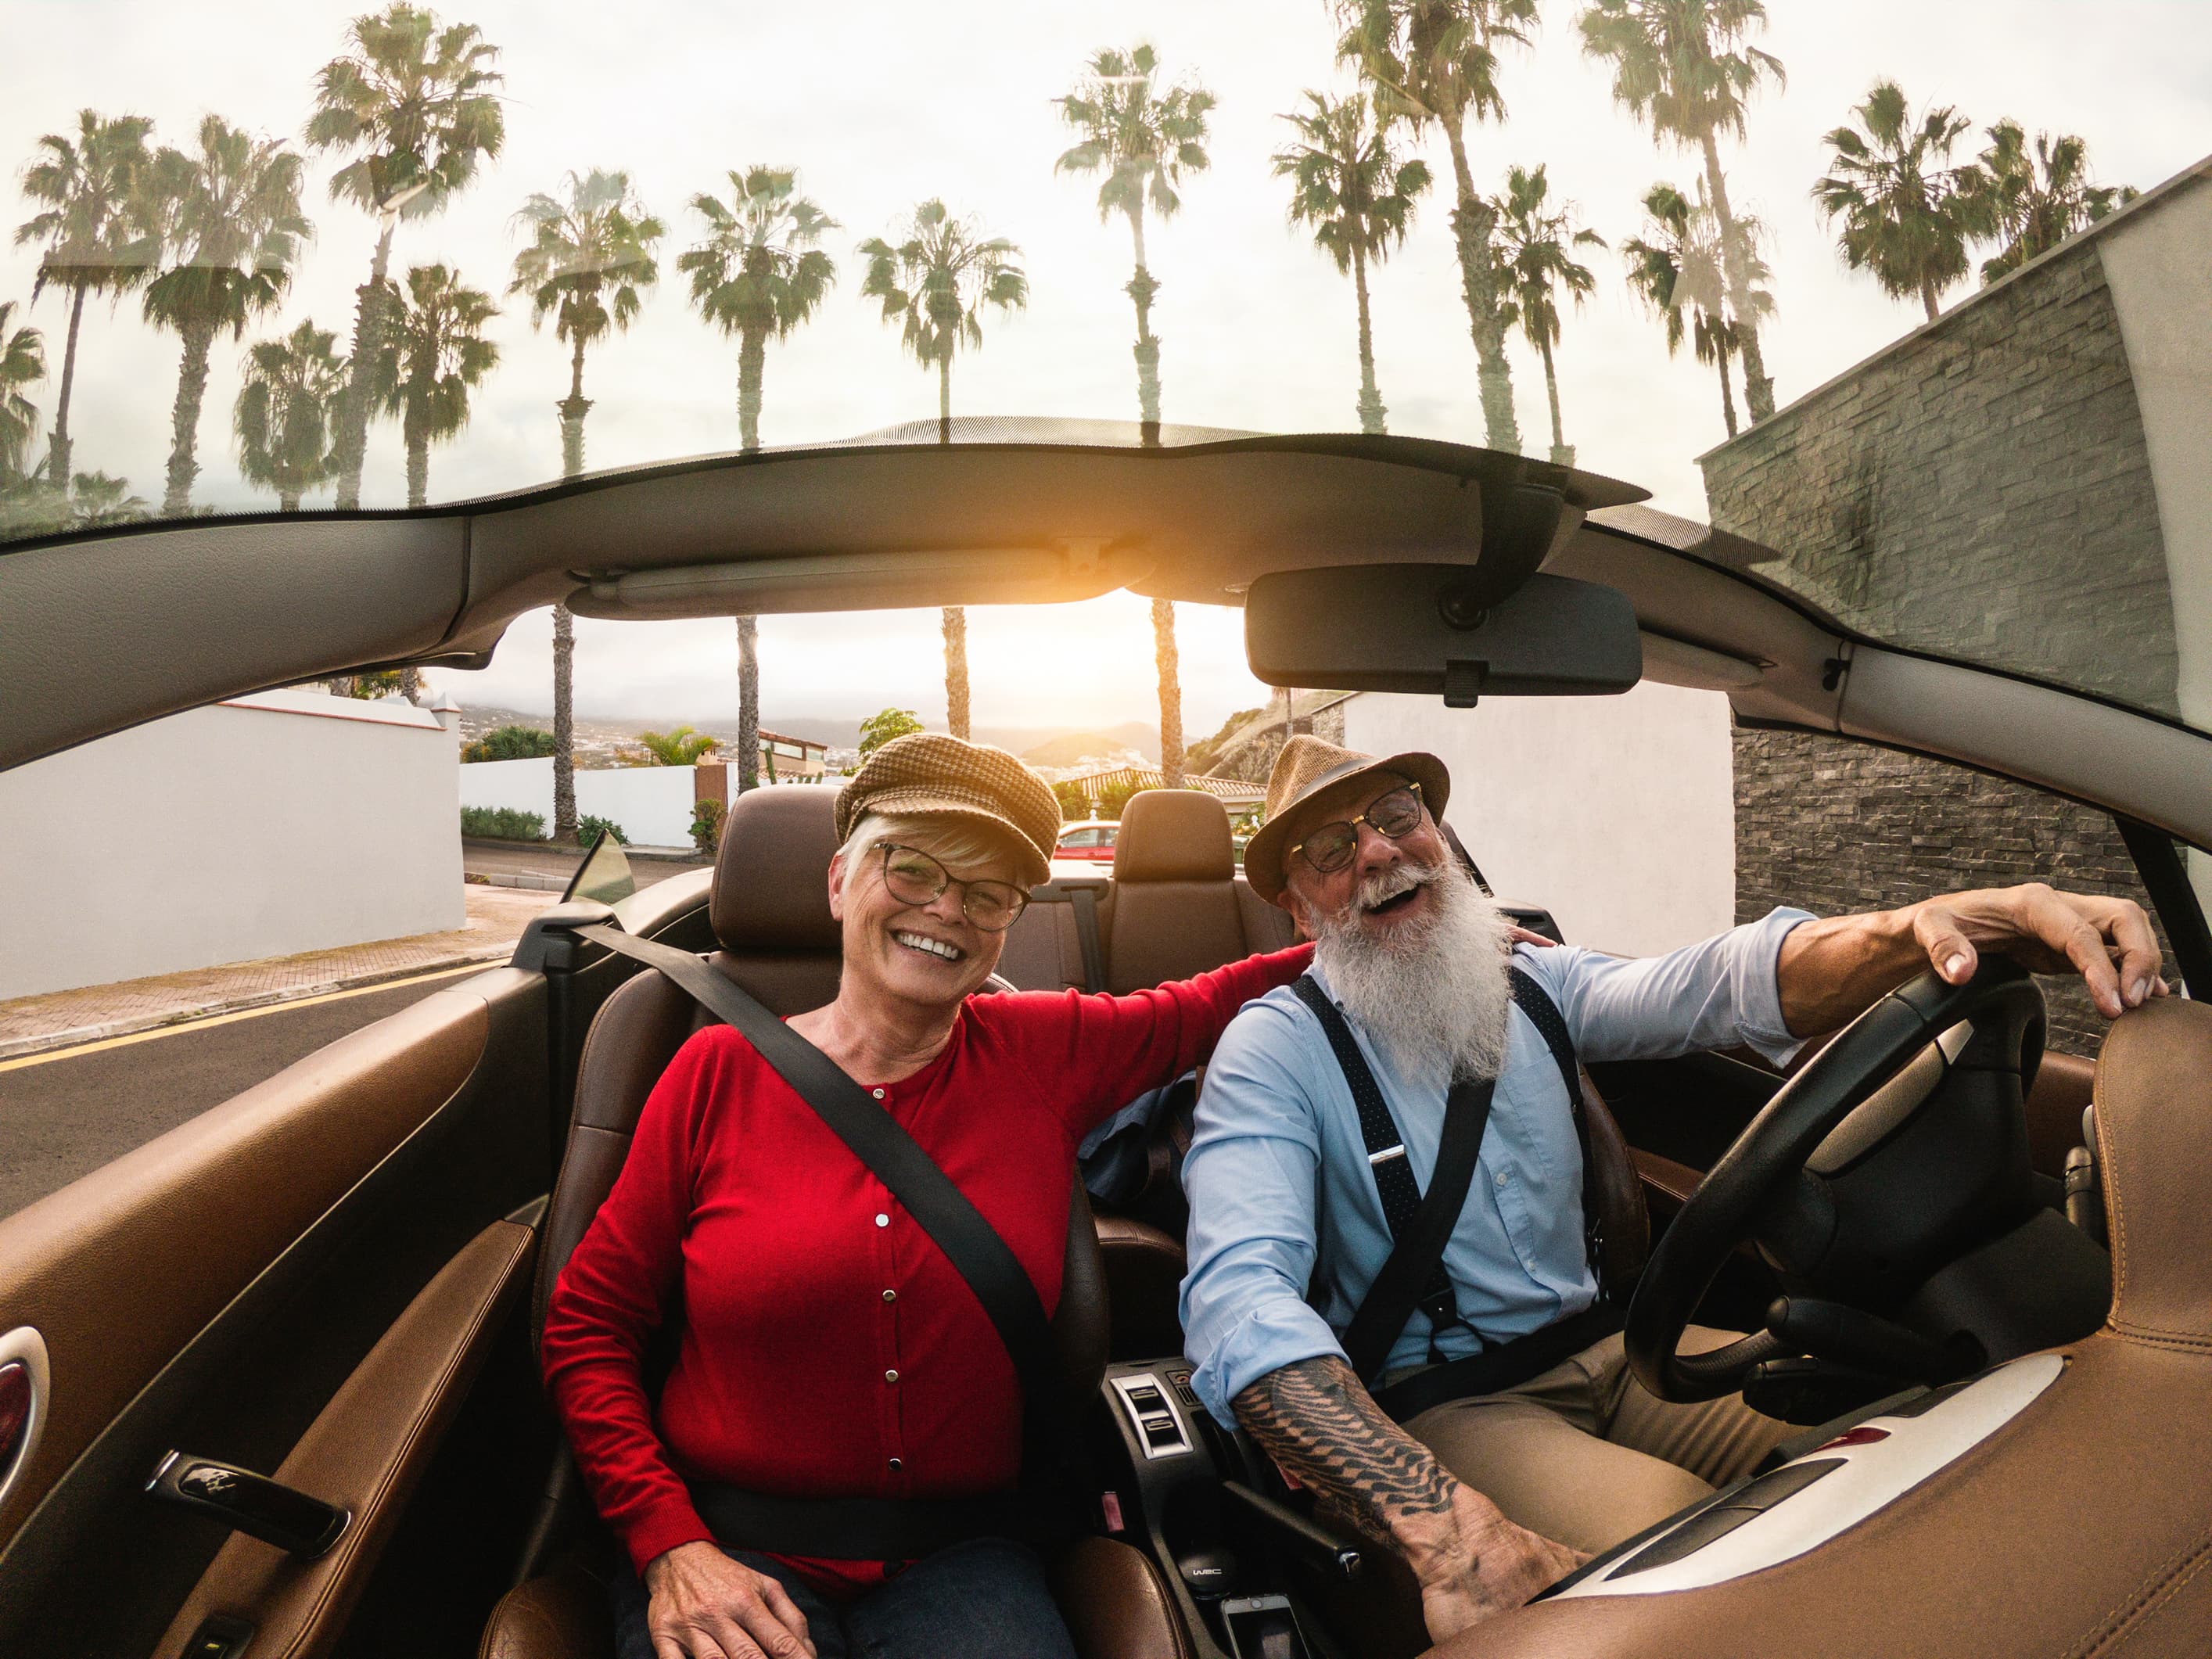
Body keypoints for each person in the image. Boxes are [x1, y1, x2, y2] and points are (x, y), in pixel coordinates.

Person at [1178, 735, 2165, 1646]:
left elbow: (1719, 982)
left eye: (1397, 816)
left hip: (1619, 1352)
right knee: (1688, 1560)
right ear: (1297, 906)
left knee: (1922, 1436)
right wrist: (1447, 1532)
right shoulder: (1272, 1053)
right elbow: (1237, 1308)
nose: (1379, 853)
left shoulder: (1527, 982)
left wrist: (1940, 928)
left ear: (1436, 836)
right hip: (1453, 1404)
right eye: (1328, 844)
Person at [541, 732, 1314, 1659]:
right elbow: (588, 1324)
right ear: (838, 880)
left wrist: (1406, 925)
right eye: (908, 868)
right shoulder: (713, 1070)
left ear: (1005, 926)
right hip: (733, 1547)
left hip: (967, 1558)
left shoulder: (1040, 1050)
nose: (945, 909)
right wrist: (666, 1539)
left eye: (987, 893)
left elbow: (1213, 1000)